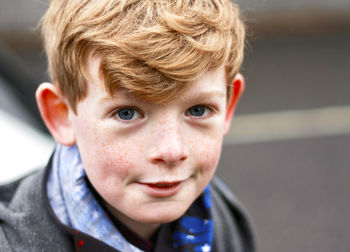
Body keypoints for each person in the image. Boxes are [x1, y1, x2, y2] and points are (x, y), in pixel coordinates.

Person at [0, 0, 255, 251]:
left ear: (228, 105)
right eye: (127, 113)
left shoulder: (223, 217)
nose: (171, 151)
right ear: (63, 115)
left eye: (198, 110)